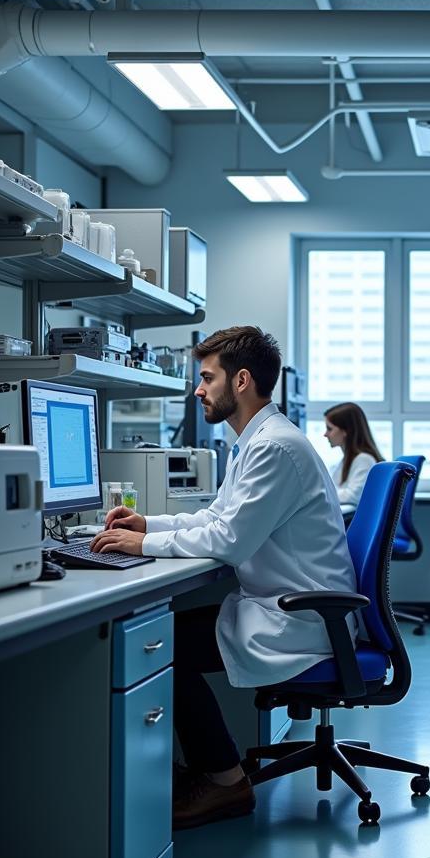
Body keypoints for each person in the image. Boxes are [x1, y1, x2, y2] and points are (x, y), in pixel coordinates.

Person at [92, 326, 357, 828]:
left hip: (300, 618)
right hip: (284, 604)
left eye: (206, 378)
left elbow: (228, 540)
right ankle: (211, 771)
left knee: (165, 646)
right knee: (171, 636)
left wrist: (143, 545)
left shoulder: (273, 448)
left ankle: (225, 782)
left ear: (240, 380)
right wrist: (149, 524)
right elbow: (216, 517)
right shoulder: (254, 443)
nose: (198, 389)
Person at [322, 401, 384, 509]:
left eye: (329, 428)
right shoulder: (346, 461)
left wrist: (320, 495)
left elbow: (352, 497)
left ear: (346, 430)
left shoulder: (364, 459)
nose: (325, 434)